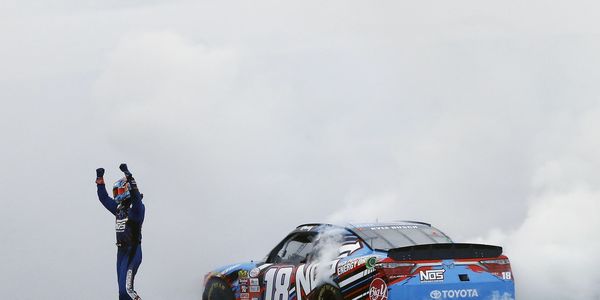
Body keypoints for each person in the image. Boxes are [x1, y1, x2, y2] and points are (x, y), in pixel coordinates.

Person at [96, 163, 145, 300]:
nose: (117, 195)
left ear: (127, 190)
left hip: (133, 251)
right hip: (121, 253)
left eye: (119, 191)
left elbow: (136, 197)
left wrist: (129, 176)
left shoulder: (137, 209)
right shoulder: (119, 210)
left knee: (128, 290)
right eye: (115, 192)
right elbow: (104, 199)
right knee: (122, 295)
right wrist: (100, 180)